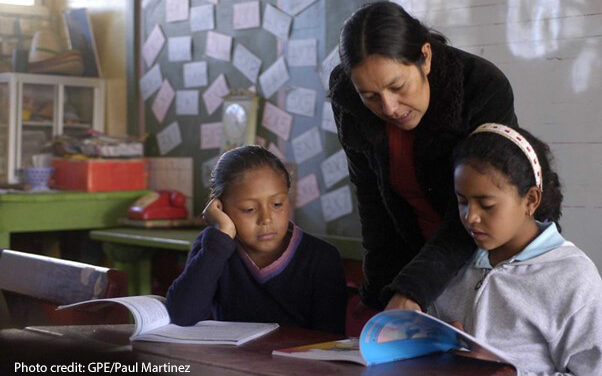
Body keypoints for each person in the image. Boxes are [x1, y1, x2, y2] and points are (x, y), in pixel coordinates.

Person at [328, 1, 518, 313]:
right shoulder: (348, 99)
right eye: (371, 96)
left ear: (425, 58)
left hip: (493, 258)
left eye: (398, 86)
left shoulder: (482, 87)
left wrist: (414, 288)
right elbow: (373, 203)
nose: (389, 108)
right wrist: (376, 298)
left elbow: (479, 210)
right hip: (421, 264)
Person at [429, 124, 602, 375]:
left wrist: (511, 373)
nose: (470, 217)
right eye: (462, 201)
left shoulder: (572, 278)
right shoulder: (454, 261)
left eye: (486, 205)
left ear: (530, 200)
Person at [166, 145, 347, 334]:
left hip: (296, 363)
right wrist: (220, 240)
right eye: (249, 209)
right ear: (221, 208)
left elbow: (330, 342)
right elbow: (182, 316)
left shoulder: (321, 258)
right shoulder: (213, 247)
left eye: (277, 204)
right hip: (230, 362)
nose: (266, 219)